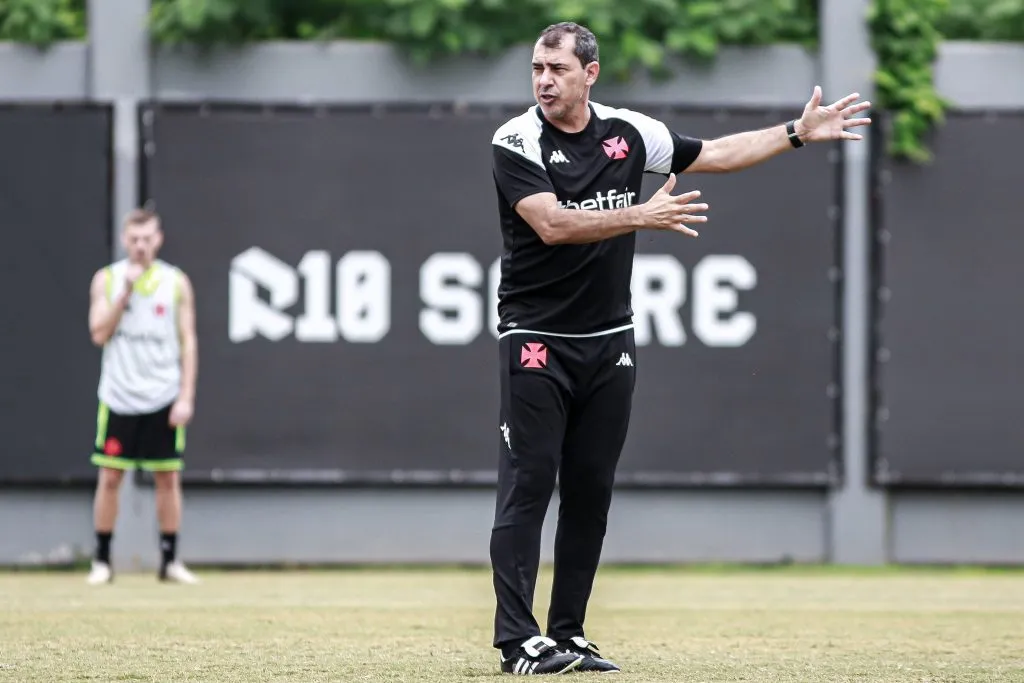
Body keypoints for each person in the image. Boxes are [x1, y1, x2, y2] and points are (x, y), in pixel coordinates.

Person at [488, 21, 871, 675]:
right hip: (536, 336)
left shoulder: (630, 135)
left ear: (591, 73)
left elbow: (716, 154)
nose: (544, 81)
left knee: (590, 490)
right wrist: (640, 214)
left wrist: (795, 133)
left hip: (609, 340)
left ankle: (569, 633)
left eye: (557, 69)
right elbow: (552, 224)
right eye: (536, 69)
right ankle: (518, 640)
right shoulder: (516, 139)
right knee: (530, 483)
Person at [85, 208, 200, 585]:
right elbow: (99, 333)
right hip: (120, 395)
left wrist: (185, 396)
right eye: (134, 239)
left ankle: (169, 560)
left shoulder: (176, 282)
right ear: (124, 240)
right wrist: (125, 293)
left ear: (159, 239)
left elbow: (188, 341)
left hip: (162, 394)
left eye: (147, 238)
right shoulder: (107, 279)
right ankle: (102, 560)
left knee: (167, 479)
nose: (140, 246)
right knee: (110, 477)